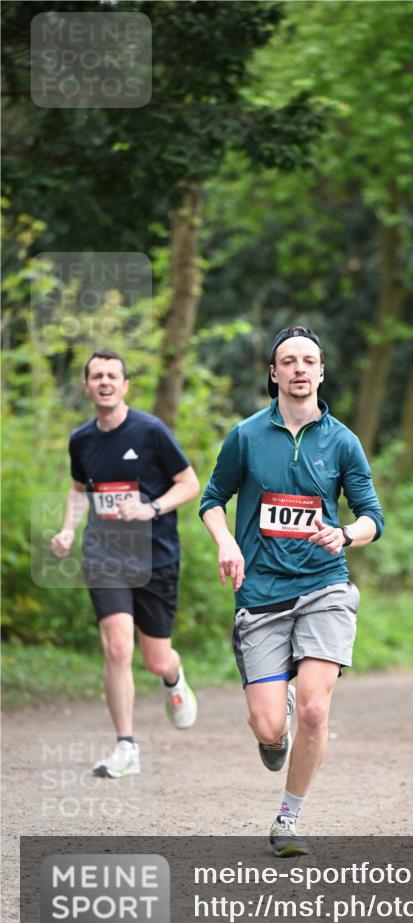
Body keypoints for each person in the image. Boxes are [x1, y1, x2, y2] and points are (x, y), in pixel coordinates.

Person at [200, 326, 384, 856]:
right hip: (260, 592)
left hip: (325, 586)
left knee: (315, 710)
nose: (299, 368)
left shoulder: (343, 441)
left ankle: (288, 818)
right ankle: (272, 726)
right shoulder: (246, 436)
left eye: (309, 360)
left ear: (321, 372)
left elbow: (373, 516)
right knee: (267, 726)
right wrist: (225, 543)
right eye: (289, 361)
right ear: (274, 373)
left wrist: (346, 533)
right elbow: (213, 499)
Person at [51, 349, 200, 778]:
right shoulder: (81, 440)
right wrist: (67, 530)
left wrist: (152, 509)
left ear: (125, 384)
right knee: (117, 646)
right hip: (105, 553)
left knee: (156, 659)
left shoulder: (151, 431)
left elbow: (189, 484)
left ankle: (172, 678)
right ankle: (126, 746)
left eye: (112, 375)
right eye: (96, 375)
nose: (104, 382)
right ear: (87, 386)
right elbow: (80, 490)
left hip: (156, 556)